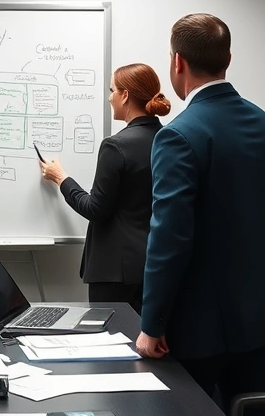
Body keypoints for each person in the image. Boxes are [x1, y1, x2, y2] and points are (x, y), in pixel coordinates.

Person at [136, 14, 265, 416]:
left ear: (177, 63)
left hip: (198, 328)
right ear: (228, 59)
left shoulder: (178, 135)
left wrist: (152, 324)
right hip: (261, 321)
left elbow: (169, 238)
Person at [39, 63, 170, 314]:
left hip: (114, 272)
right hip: (153, 265)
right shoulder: (168, 139)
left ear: (125, 95)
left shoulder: (116, 146)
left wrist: (61, 178)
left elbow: (95, 208)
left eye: (112, 90)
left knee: (110, 343)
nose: (110, 98)